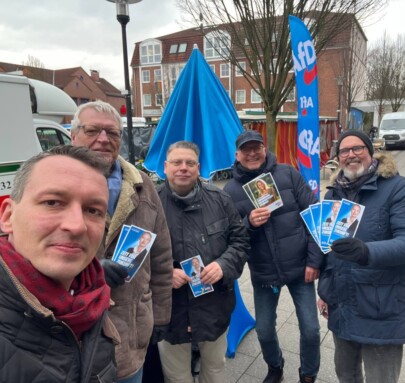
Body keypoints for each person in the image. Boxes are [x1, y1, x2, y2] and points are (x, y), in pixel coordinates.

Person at [71, 100, 173, 383]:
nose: (103, 139)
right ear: (73, 135)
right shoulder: (48, 183)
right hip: (72, 338)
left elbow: (162, 257)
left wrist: (162, 316)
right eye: (92, 130)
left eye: (112, 133)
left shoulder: (142, 184)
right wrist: (86, 272)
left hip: (131, 334)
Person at [0, 145, 119, 382]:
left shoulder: (94, 298)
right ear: (8, 217)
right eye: (53, 202)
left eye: (93, 210)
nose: (77, 226)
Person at [317, 130, 405, 383]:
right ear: (338, 157)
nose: (351, 155)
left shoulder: (399, 188)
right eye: (344, 151)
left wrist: (367, 252)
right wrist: (324, 290)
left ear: (370, 152)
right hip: (342, 303)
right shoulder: (333, 193)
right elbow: (328, 249)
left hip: (381, 306)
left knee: (380, 379)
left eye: (358, 149)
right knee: (346, 374)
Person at [224, 130, 323, 383]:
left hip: (301, 267)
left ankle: (308, 375)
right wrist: (249, 223)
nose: (252, 153)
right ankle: (275, 366)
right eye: (246, 150)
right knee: (265, 330)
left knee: (311, 330)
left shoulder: (288, 173)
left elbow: (315, 217)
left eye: (256, 147)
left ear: (265, 148)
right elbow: (230, 235)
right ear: (237, 155)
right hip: (264, 272)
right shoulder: (230, 190)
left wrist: (314, 261)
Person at [157, 141, 250, 383]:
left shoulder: (221, 200)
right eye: (177, 162)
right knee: (176, 376)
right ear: (166, 166)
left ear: (198, 168)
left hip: (214, 305)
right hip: (170, 310)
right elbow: (135, 254)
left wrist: (223, 265)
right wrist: (163, 273)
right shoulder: (150, 204)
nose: (183, 168)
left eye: (189, 163)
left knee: (215, 371)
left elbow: (240, 242)